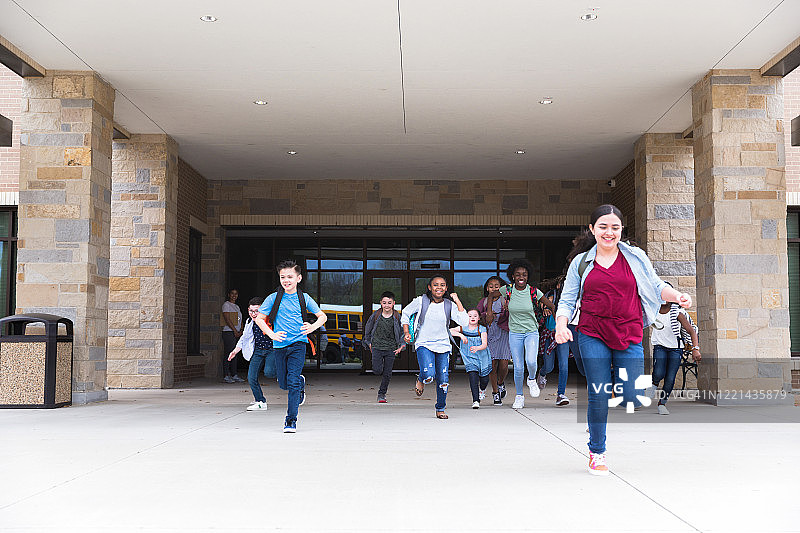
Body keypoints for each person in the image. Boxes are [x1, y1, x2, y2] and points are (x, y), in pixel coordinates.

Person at [555, 204, 692, 476]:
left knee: (631, 396)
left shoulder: (635, 257)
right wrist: (561, 324)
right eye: (603, 227)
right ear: (593, 230)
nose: (609, 232)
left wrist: (676, 295)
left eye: (614, 227)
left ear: (621, 230)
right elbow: (568, 299)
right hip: (592, 332)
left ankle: (601, 404)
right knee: (598, 393)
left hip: (629, 332)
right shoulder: (581, 262)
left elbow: (655, 286)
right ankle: (597, 452)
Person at [256, 260, 327, 433]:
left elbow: (322, 316)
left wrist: (312, 327)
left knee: (292, 382)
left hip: (298, 343)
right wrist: (272, 335)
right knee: (282, 382)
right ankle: (299, 383)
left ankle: (291, 420)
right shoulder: (273, 298)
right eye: (282, 277)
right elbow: (259, 318)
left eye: (290, 276)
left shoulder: (304, 298)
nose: (286, 280)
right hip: (279, 344)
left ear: (299, 278)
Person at [401, 275, 468, 419]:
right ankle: (421, 379)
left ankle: (440, 409)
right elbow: (405, 313)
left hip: (443, 345)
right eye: (436, 285)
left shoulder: (449, 305)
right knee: (428, 374)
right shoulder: (420, 301)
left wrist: (457, 300)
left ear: (446, 288)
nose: (439, 287)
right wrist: (406, 332)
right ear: (429, 287)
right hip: (424, 344)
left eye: (442, 285)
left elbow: (464, 321)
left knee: (443, 379)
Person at [500, 259, 555, 409]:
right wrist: (490, 311)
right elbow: (492, 296)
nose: (521, 277)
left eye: (524, 274)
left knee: (531, 361)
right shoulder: (508, 290)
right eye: (517, 274)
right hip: (515, 333)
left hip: (531, 332)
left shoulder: (534, 292)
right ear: (512, 276)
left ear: (528, 276)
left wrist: (558, 325)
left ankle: (531, 379)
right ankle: (519, 396)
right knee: (518, 367)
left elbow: (551, 305)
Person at [649, 287, 701, 415]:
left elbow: (691, 331)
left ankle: (662, 403)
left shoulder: (677, 312)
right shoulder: (653, 311)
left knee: (670, 378)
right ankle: (653, 383)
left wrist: (695, 349)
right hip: (660, 346)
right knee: (658, 372)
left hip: (675, 349)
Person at [228, 297, 277, 411]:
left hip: (272, 350)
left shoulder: (270, 320)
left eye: (257, 311)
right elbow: (244, 338)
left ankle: (292, 378)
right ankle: (260, 401)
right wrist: (235, 351)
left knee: (269, 373)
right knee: (251, 377)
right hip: (258, 351)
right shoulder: (249, 322)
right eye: (251, 311)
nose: (254, 314)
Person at [362, 291, 405, 403]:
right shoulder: (375, 315)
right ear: (380, 303)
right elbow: (368, 329)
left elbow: (402, 332)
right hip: (376, 346)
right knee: (377, 370)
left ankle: (382, 394)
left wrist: (401, 346)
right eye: (384, 302)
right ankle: (380, 378)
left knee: (387, 373)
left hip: (391, 348)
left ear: (393, 303)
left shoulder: (397, 316)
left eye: (389, 303)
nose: (387, 305)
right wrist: (368, 342)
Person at [476, 276, 511, 406]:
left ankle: (501, 382)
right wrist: (486, 316)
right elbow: (477, 315)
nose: (494, 288)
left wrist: (507, 310)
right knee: (492, 365)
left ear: (501, 288)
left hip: (503, 333)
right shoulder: (484, 302)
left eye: (497, 286)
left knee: (503, 364)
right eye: (491, 286)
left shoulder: (505, 300)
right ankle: (495, 393)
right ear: (487, 288)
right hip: (489, 333)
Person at [537, 279, 570, 406]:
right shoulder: (551, 296)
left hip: (563, 336)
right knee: (549, 367)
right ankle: (542, 373)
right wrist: (545, 307)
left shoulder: (572, 299)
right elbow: (542, 305)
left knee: (564, 365)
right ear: (558, 285)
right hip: (550, 335)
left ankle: (560, 394)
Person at [451, 310, 491, 409]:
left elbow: (484, 344)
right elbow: (450, 330)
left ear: (479, 318)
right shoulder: (463, 328)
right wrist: (460, 335)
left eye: (475, 316)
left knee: (484, 379)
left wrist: (477, 348)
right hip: (469, 357)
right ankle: (476, 400)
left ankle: (482, 389)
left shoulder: (481, 329)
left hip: (482, 356)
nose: (472, 318)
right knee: (473, 377)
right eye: (469, 316)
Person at [221, 289, 244, 383]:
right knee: (229, 353)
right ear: (229, 295)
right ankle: (226, 375)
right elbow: (227, 318)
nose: (234, 295)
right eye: (232, 294)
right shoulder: (226, 305)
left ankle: (234, 374)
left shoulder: (237, 307)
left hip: (237, 332)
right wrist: (234, 330)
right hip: (229, 332)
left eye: (236, 294)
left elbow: (240, 320)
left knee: (235, 353)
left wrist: (241, 330)